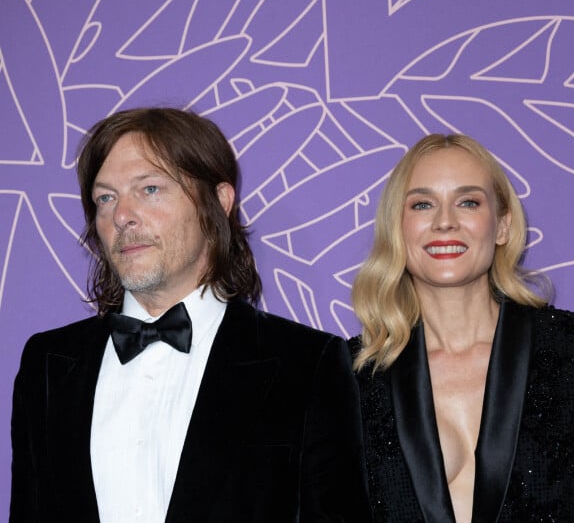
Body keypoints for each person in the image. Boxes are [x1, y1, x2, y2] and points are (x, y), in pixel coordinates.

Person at [10, 107, 372, 523]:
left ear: (218, 203)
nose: (122, 215)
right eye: (105, 198)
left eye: (149, 189)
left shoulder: (306, 364)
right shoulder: (49, 363)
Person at [350, 133, 574, 522]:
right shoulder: (352, 379)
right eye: (422, 204)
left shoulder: (571, 351)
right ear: (397, 229)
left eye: (468, 202)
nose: (444, 221)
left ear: (503, 226)